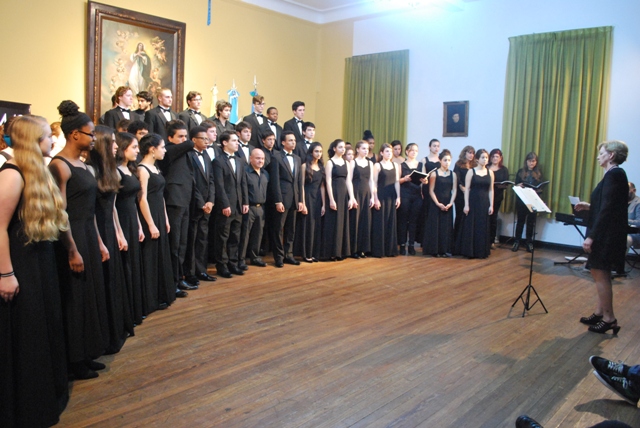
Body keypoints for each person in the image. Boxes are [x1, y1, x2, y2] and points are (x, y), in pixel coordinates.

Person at [0, 115, 70, 427]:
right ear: (33, 140)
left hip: (38, 260)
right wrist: (6, 274)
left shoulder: (35, 170)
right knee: (27, 332)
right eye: (47, 135)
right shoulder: (12, 174)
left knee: (43, 327)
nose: (52, 140)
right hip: (20, 263)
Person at [49, 100, 110, 380]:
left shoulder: (84, 166)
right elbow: (60, 213)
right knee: (75, 298)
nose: (94, 138)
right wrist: (72, 250)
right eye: (90, 133)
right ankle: (74, 360)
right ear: (75, 134)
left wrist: (99, 242)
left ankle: (86, 353)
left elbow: (90, 211)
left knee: (89, 294)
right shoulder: (59, 165)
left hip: (87, 233)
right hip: (72, 237)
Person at [574, 141, 629, 334]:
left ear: (611, 155)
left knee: (600, 273)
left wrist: (592, 236)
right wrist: (589, 206)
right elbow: (607, 203)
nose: (598, 156)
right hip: (608, 232)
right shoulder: (613, 175)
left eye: (602, 153)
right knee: (599, 273)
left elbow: (607, 209)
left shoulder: (615, 175)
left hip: (606, 235)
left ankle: (609, 318)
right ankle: (600, 313)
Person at [89, 126, 133, 354]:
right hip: (96, 231)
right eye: (113, 142)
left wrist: (119, 232)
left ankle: (115, 330)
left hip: (109, 229)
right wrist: (100, 241)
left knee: (113, 279)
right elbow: (90, 211)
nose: (117, 146)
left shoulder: (110, 170)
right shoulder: (91, 170)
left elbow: (112, 207)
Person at [137, 133, 177, 312]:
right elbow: (142, 199)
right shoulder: (142, 170)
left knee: (161, 253)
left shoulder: (155, 168)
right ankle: (150, 298)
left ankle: (162, 294)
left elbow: (160, 196)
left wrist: (165, 218)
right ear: (152, 149)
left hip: (159, 215)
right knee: (150, 256)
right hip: (149, 216)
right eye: (162, 147)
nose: (165, 150)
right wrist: (151, 224)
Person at [158, 120, 196, 295]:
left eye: (185, 136)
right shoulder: (168, 150)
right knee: (174, 244)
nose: (184, 140)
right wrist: (190, 141)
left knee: (182, 244)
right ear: (169, 138)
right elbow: (190, 144)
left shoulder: (182, 150)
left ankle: (179, 278)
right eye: (180, 136)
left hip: (185, 200)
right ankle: (172, 282)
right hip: (174, 200)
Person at [115, 132, 146, 324]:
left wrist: (140, 226)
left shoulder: (131, 169)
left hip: (132, 220)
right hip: (121, 221)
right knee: (125, 265)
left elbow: (134, 202)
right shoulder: (115, 171)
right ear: (122, 148)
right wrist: (119, 232)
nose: (137, 151)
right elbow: (112, 205)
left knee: (134, 264)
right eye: (134, 147)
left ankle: (136, 308)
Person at [212, 131, 249, 277]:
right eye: (234, 140)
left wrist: (245, 201)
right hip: (226, 205)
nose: (237, 143)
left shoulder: (240, 161)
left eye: (237, 140)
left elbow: (243, 183)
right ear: (225, 143)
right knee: (222, 237)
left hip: (239, 205)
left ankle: (233, 263)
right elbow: (219, 185)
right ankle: (221, 265)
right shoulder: (218, 161)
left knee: (235, 236)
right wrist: (224, 204)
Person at [184, 126, 216, 283]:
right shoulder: (189, 156)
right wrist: (201, 202)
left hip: (207, 205)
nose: (206, 141)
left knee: (203, 239)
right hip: (194, 204)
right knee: (192, 239)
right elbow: (192, 182)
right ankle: (189, 273)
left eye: (207, 139)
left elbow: (211, 180)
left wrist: (211, 200)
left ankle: (201, 270)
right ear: (193, 140)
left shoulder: (207, 156)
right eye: (203, 139)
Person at [268, 131, 304, 267]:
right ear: (283, 142)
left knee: (291, 229)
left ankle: (289, 255)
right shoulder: (276, 157)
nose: (293, 143)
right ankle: (278, 257)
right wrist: (278, 200)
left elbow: (299, 181)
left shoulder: (297, 158)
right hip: (282, 199)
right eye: (290, 140)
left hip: (294, 198)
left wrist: (300, 200)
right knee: (278, 229)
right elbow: (275, 181)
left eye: (294, 140)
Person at [454, 148, 494, 259]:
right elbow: (467, 189)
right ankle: (469, 251)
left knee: (482, 226)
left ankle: (480, 251)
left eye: (486, 157)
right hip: (473, 201)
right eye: (483, 157)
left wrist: (491, 205)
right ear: (477, 159)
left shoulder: (490, 172)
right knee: (471, 226)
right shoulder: (471, 172)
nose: (485, 160)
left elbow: (491, 190)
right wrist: (466, 204)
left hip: (484, 202)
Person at [322, 139, 357, 260]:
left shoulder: (346, 163)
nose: (343, 149)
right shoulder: (330, 162)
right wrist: (331, 199)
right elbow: (328, 181)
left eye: (344, 147)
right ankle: (331, 252)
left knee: (342, 222)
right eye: (340, 147)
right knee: (333, 223)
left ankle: (340, 251)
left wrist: (351, 197)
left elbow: (348, 181)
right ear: (334, 149)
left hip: (343, 195)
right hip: (334, 193)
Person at [294, 142, 325, 263]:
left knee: (316, 225)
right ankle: (306, 253)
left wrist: (324, 204)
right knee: (307, 225)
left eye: (320, 151)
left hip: (317, 198)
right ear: (311, 152)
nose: (318, 154)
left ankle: (314, 253)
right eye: (316, 151)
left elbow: (322, 187)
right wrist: (302, 202)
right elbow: (301, 185)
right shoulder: (304, 166)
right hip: (307, 197)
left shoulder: (321, 167)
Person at [239, 148, 270, 267]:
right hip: (249, 207)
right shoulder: (245, 172)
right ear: (250, 158)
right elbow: (243, 190)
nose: (260, 161)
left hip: (261, 208)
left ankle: (255, 257)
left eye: (262, 158)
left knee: (258, 234)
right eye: (257, 158)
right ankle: (241, 259)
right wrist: (245, 203)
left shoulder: (265, 173)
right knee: (245, 235)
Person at [424, 149, 456, 256]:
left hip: (447, 203)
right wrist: (438, 203)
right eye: (445, 160)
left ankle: (445, 250)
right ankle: (435, 250)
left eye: (449, 160)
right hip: (436, 203)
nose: (447, 162)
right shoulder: (434, 174)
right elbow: (431, 190)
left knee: (445, 227)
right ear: (440, 161)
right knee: (435, 226)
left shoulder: (453, 174)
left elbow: (454, 190)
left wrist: (451, 203)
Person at [371, 143, 400, 257]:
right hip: (381, 196)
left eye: (390, 151)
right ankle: (379, 250)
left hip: (391, 196)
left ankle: (390, 250)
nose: (389, 153)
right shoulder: (377, 165)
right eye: (387, 151)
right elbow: (374, 183)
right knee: (380, 222)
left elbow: (397, 182)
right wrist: (375, 198)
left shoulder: (395, 165)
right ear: (381, 153)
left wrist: (398, 197)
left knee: (390, 221)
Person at [512, 152, 544, 252]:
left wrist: (537, 190)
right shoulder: (521, 172)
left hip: (533, 201)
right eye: (530, 161)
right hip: (522, 200)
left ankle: (529, 242)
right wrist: (518, 185)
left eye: (533, 161)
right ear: (526, 161)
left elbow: (540, 187)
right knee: (520, 221)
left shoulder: (538, 173)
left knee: (530, 223)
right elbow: (515, 185)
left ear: (536, 162)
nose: (531, 163)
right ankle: (517, 241)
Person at [349, 140, 375, 258]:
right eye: (363, 148)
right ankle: (353, 249)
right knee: (355, 221)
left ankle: (362, 249)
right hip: (356, 193)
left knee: (365, 221)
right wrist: (352, 197)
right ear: (358, 149)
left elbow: (371, 181)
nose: (366, 151)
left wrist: (373, 197)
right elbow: (349, 180)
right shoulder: (353, 162)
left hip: (366, 194)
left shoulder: (370, 163)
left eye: (367, 149)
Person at [397, 143, 423, 255]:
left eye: (416, 151)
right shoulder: (402, 165)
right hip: (405, 194)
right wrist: (404, 179)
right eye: (412, 150)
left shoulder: (420, 165)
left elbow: (423, 179)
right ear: (407, 151)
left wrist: (425, 181)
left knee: (414, 220)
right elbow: (397, 181)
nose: (414, 152)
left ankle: (411, 245)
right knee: (403, 220)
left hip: (417, 195)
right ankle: (402, 245)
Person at [488, 148, 509, 248]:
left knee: (493, 218)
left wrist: (499, 185)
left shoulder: (504, 170)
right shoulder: (486, 167)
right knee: (484, 218)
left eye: (497, 157)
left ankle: (491, 240)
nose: (495, 158)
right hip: (485, 196)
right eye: (493, 156)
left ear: (500, 158)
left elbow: (506, 184)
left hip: (497, 196)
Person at [453, 146, 475, 238]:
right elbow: (457, 178)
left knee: (469, 217)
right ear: (464, 153)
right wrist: (462, 187)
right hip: (460, 194)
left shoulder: (475, 165)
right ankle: (457, 237)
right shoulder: (458, 164)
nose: (471, 155)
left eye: (473, 153)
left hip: (472, 194)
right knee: (460, 215)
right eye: (469, 153)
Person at [627, 182, 640, 249]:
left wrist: (623, 220)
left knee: (623, 240)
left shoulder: (638, 203)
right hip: (623, 230)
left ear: (634, 190)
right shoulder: (621, 203)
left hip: (636, 233)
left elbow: (639, 222)